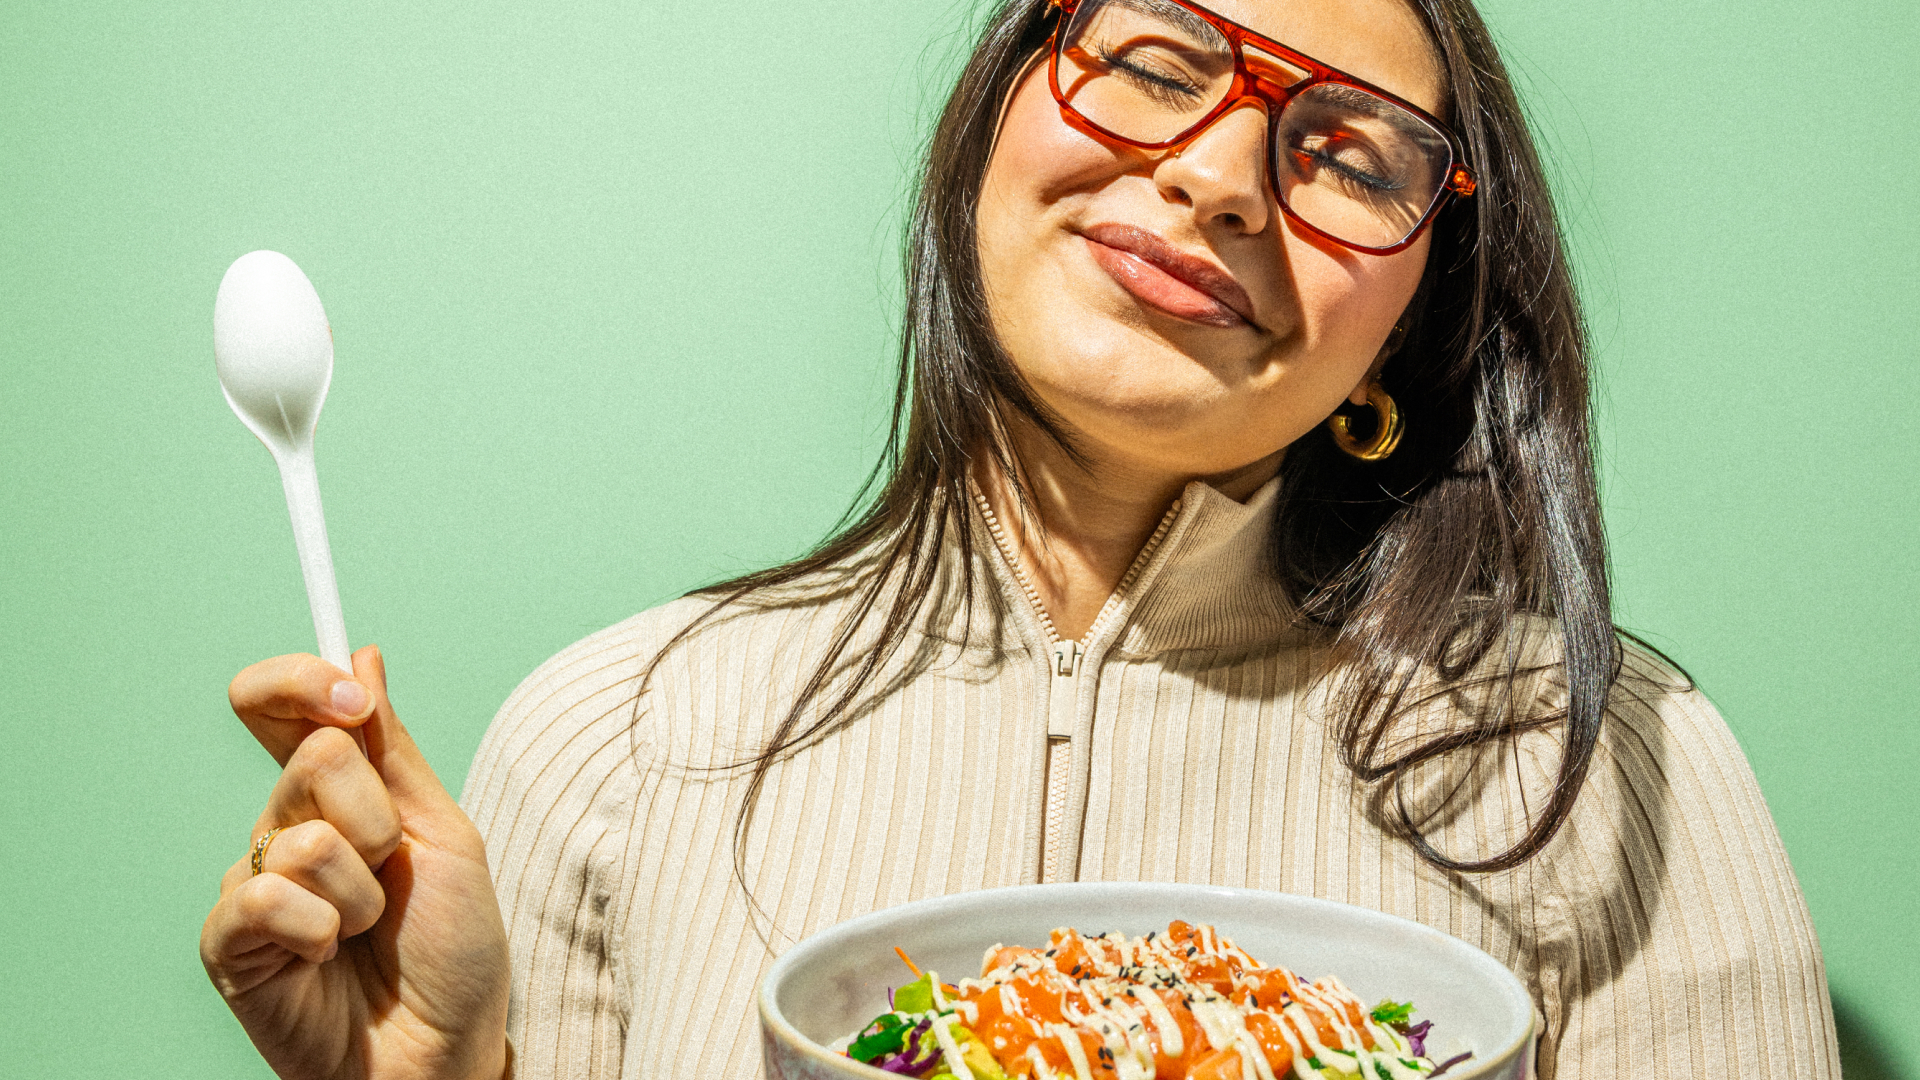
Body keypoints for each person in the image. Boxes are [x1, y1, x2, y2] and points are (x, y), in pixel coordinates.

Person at [199, 0, 1841, 1076]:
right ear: (999, 107)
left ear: (1421, 313)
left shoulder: (1618, 773)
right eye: (1152, 60)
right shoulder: (615, 740)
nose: (1217, 178)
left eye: (1349, 154)